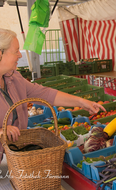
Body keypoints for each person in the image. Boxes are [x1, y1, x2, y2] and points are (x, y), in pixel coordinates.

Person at [0, 28, 106, 162]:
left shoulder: (14, 77)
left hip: (13, 155)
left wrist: (81, 102)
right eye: (16, 51)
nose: (20, 55)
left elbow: (45, 94)